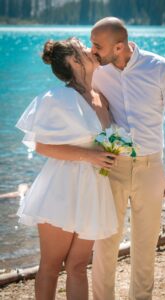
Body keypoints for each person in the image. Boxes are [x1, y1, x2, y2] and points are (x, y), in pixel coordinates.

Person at [90, 17, 165, 300]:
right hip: (112, 165)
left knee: (145, 245)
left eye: (97, 45)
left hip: (151, 168)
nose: (92, 50)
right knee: (105, 242)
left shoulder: (161, 69)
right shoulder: (97, 69)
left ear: (119, 47)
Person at [16, 37, 118, 300]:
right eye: (84, 47)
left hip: (93, 188)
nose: (91, 48)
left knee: (78, 265)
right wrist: (90, 156)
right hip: (61, 189)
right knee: (50, 265)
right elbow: (42, 146)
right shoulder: (57, 97)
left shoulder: (101, 98)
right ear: (74, 60)